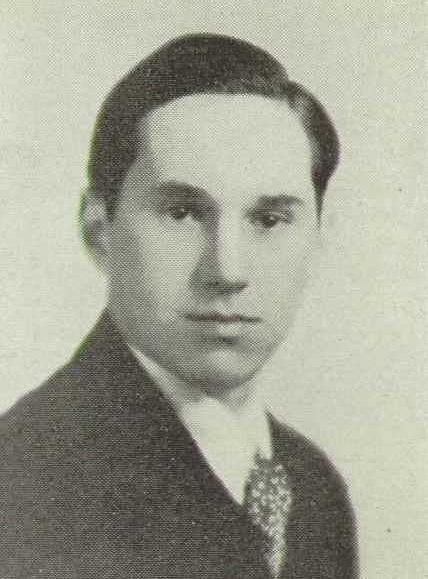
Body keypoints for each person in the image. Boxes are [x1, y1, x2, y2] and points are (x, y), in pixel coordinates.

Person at [0, 34, 358, 578]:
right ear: (98, 229)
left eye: (269, 220)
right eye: (183, 213)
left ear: (318, 237)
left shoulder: (312, 486)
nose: (228, 271)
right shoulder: (22, 480)